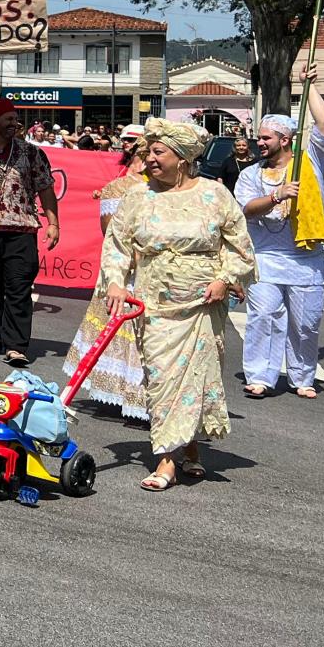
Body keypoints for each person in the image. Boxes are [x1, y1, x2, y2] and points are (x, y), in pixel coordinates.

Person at [100, 119, 255, 491]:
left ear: (183, 158)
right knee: (162, 379)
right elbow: (117, 245)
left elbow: (241, 248)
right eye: (149, 152)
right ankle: (172, 453)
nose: (150, 159)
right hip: (153, 304)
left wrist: (225, 279)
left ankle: (176, 456)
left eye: (159, 152)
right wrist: (116, 283)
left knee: (195, 379)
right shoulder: (137, 197)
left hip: (202, 305)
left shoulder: (215, 195)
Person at [234, 67, 324, 400]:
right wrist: (277, 196)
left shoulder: (310, 163)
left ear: (285, 140)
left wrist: (309, 85)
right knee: (263, 316)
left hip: (306, 258)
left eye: (266, 138)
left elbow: (323, 123)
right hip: (265, 257)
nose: (259, 143)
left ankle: (302, 377)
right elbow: (246, 209)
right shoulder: (250, 174)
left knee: (305, 323)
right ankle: (259, 376)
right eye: (259, 137)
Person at [61, 140, 151, 420]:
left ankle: (147, 395)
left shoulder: (169, 189)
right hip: (127, 268)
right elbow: (111, 234)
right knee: (122, 329)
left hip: (157, 272)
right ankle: (128, 393)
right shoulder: (117, 188)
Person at [0, 98, 60, 367]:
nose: (15, 124)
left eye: (15, 119)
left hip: (22, 230)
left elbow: (45, 188)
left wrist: (53, 223)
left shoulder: (32, 153)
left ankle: (16, 346)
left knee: (19, 287)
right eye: (8, 119)